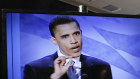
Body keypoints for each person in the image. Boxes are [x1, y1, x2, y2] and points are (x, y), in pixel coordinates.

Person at [24, 16, 112, 79]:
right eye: (65, 36)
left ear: (81, 33)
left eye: (76, 34)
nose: (74, 41)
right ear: (54, 41)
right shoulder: (35, 68)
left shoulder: (102, 66)